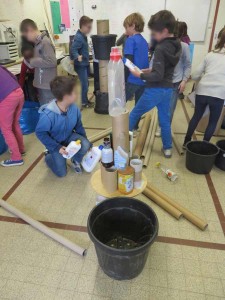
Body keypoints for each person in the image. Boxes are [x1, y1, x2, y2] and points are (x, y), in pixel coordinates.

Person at [128, 10, 181, 158]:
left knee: (134, 113)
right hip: (168, 89)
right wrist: (152, 68)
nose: (153, 36)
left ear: (164, 31)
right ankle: (168, 148)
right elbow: (165, 68)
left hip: (155, 90)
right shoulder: (177, 44)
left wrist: (141, 74)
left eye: (154, 33)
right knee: (164, 119)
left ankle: (121, 141)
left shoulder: (161, 47)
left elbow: (157, 75)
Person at [36, 76, 91, 177]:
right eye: (75, 92)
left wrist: (88, 144)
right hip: (55, 143)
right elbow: (40, 133)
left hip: (69, 137)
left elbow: (79, 127)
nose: (77, 94)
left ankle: (75, 161)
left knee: (86, 144)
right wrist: (56, 147)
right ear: (66, 96)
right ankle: (49, 157)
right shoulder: (48, 115)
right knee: (61, 173)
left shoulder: (74, 108)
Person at [183, 28, 225, 147]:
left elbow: (196, 75)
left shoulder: (210, 55)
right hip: (219, 94)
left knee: (196, 116)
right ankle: (205, 146)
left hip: (202, 90)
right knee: (213, 121)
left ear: (219, 38)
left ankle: (186, 142)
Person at [156, 24, 192, 137]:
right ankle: (160, 126)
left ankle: (165, 127)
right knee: (161, 106)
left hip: (175, 83)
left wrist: (184, 81)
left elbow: (187, 65)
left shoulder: (184, 47)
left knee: (170, 108)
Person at [20, 19, 57, 105]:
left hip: (47, 85)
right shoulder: (38, 43)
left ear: (30, 30)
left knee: (49, 110)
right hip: (42, 84)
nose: (27, 39)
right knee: (45, 109)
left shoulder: (44, 42)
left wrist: (33, 60)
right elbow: (41, 63)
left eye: (26, 36)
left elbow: (52, 62)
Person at [0, 66, 25, 167]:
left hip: (7, 98)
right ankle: (20, 149)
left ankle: (16, 158)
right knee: (15, 123)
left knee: (6, 129)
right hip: (19, 92)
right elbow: (13, 77)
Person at [123, 13, 149, 106]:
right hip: (142, 79)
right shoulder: (144, 41)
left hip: (132, 79)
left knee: (120, 103)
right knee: (138, 107)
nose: (125, 31)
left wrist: (124, 79)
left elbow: (128, 62)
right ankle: (135, 121)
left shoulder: (130, 40)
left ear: (133, 26)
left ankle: (120, 121)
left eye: (126, 28)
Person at [71, 16, 93, 108]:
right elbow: (73, 49)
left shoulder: (83, 36)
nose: (90, 29)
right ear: (83, 26)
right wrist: (77, 56)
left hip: (84, 64)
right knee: (84, 84)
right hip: (80, 65)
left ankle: (85, 100)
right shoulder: (79, 37)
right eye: (88, 27)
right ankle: (84, 102)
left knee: (86, 84)